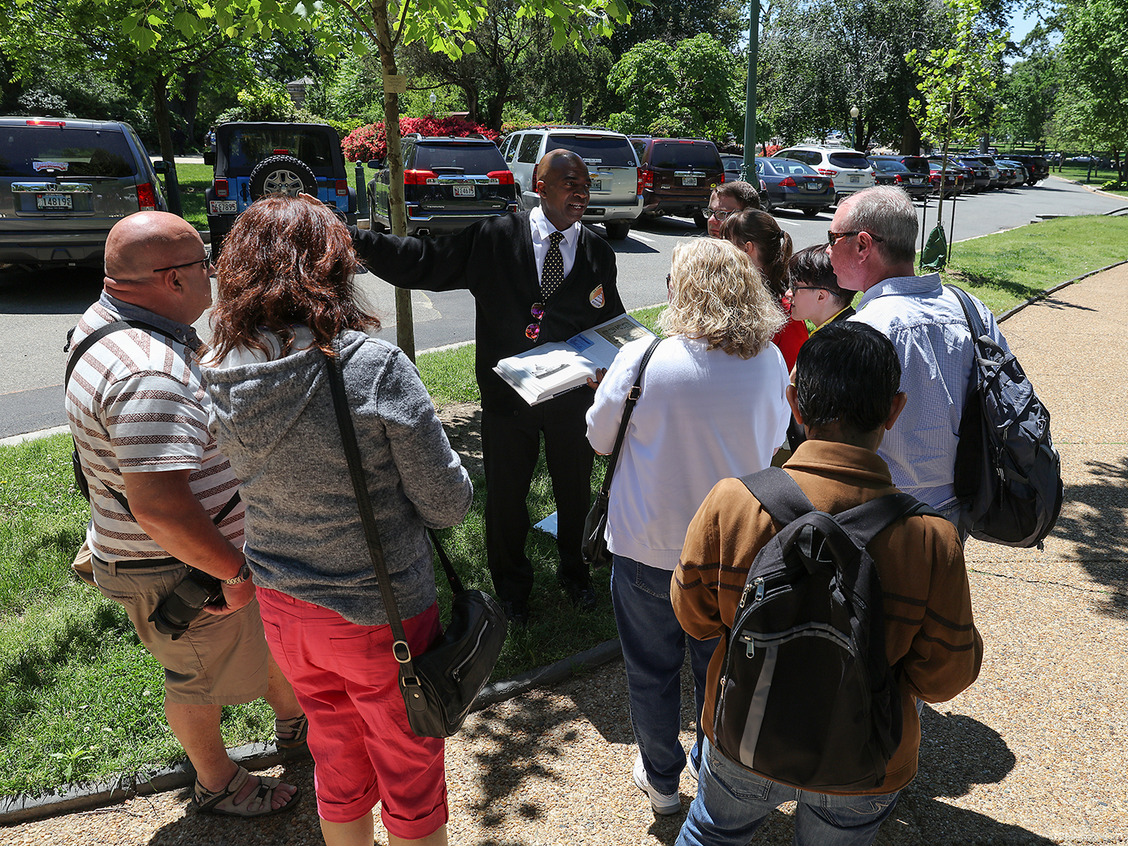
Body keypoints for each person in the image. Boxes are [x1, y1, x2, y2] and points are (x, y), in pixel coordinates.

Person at [203, 195, 473, 846]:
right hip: (382, 613)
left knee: (335, 756)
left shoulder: (213, 376)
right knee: (409, 770)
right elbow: (447, 503)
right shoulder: (371, 368)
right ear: (331, 268)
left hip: (284, 610)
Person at [671, 322, 983, 846]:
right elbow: (944, 678)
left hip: (744, 734)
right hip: (863, 761)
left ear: (794, 402)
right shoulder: (931, 541)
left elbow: (693, 618)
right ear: (894, 410)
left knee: (712, 834)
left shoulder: (732, 504)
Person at [64, 211, 304, 819]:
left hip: (185, 556)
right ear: (172, 279)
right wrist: (233, 572)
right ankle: (217, 782)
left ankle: (296, 723)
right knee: (196, 677)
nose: (213, 274)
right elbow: (162, 507)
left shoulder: (104, 323)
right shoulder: (149, 372)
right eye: (204, 263)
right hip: (183, 568)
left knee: (259, 647)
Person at [351, 149, 623, 626]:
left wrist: (616, 360)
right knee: (506, 498)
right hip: (508, 400)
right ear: (540, 186)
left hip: (572, 400)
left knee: (574, 492)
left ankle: (576, 574)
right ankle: (512, 591)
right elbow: (424, 260)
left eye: (586, 185)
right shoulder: (495, 237)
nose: (581, 193)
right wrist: (356, 240)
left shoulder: (598, 252)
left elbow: (610, 321)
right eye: (570, 183)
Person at [585, 238, 790, 816]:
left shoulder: (644, 358)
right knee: (719, 671)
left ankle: (660, 781)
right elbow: (777, 439)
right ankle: (711, 763)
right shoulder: (770, 360)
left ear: (683, 291)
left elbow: (599, 438)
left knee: (650, 670)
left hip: (647, 544)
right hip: (735, 548)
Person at [828, 185, 1011, 531]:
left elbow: (840, 444)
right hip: (963, 503)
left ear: (863, 245)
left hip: (883, 515)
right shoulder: (972, 309)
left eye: (833, 238)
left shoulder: (864, 330)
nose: (827, 250)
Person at [721, 208, 808, 371]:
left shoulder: (787, 315)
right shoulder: (728, 301)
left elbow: (793, 376)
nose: (720, 252)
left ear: (747, 248)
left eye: (726, 243)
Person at [784, 244, 856, 332]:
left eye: (795, 288)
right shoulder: (853, 328)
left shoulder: (836, 339)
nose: (788, 294)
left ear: (821, 296)